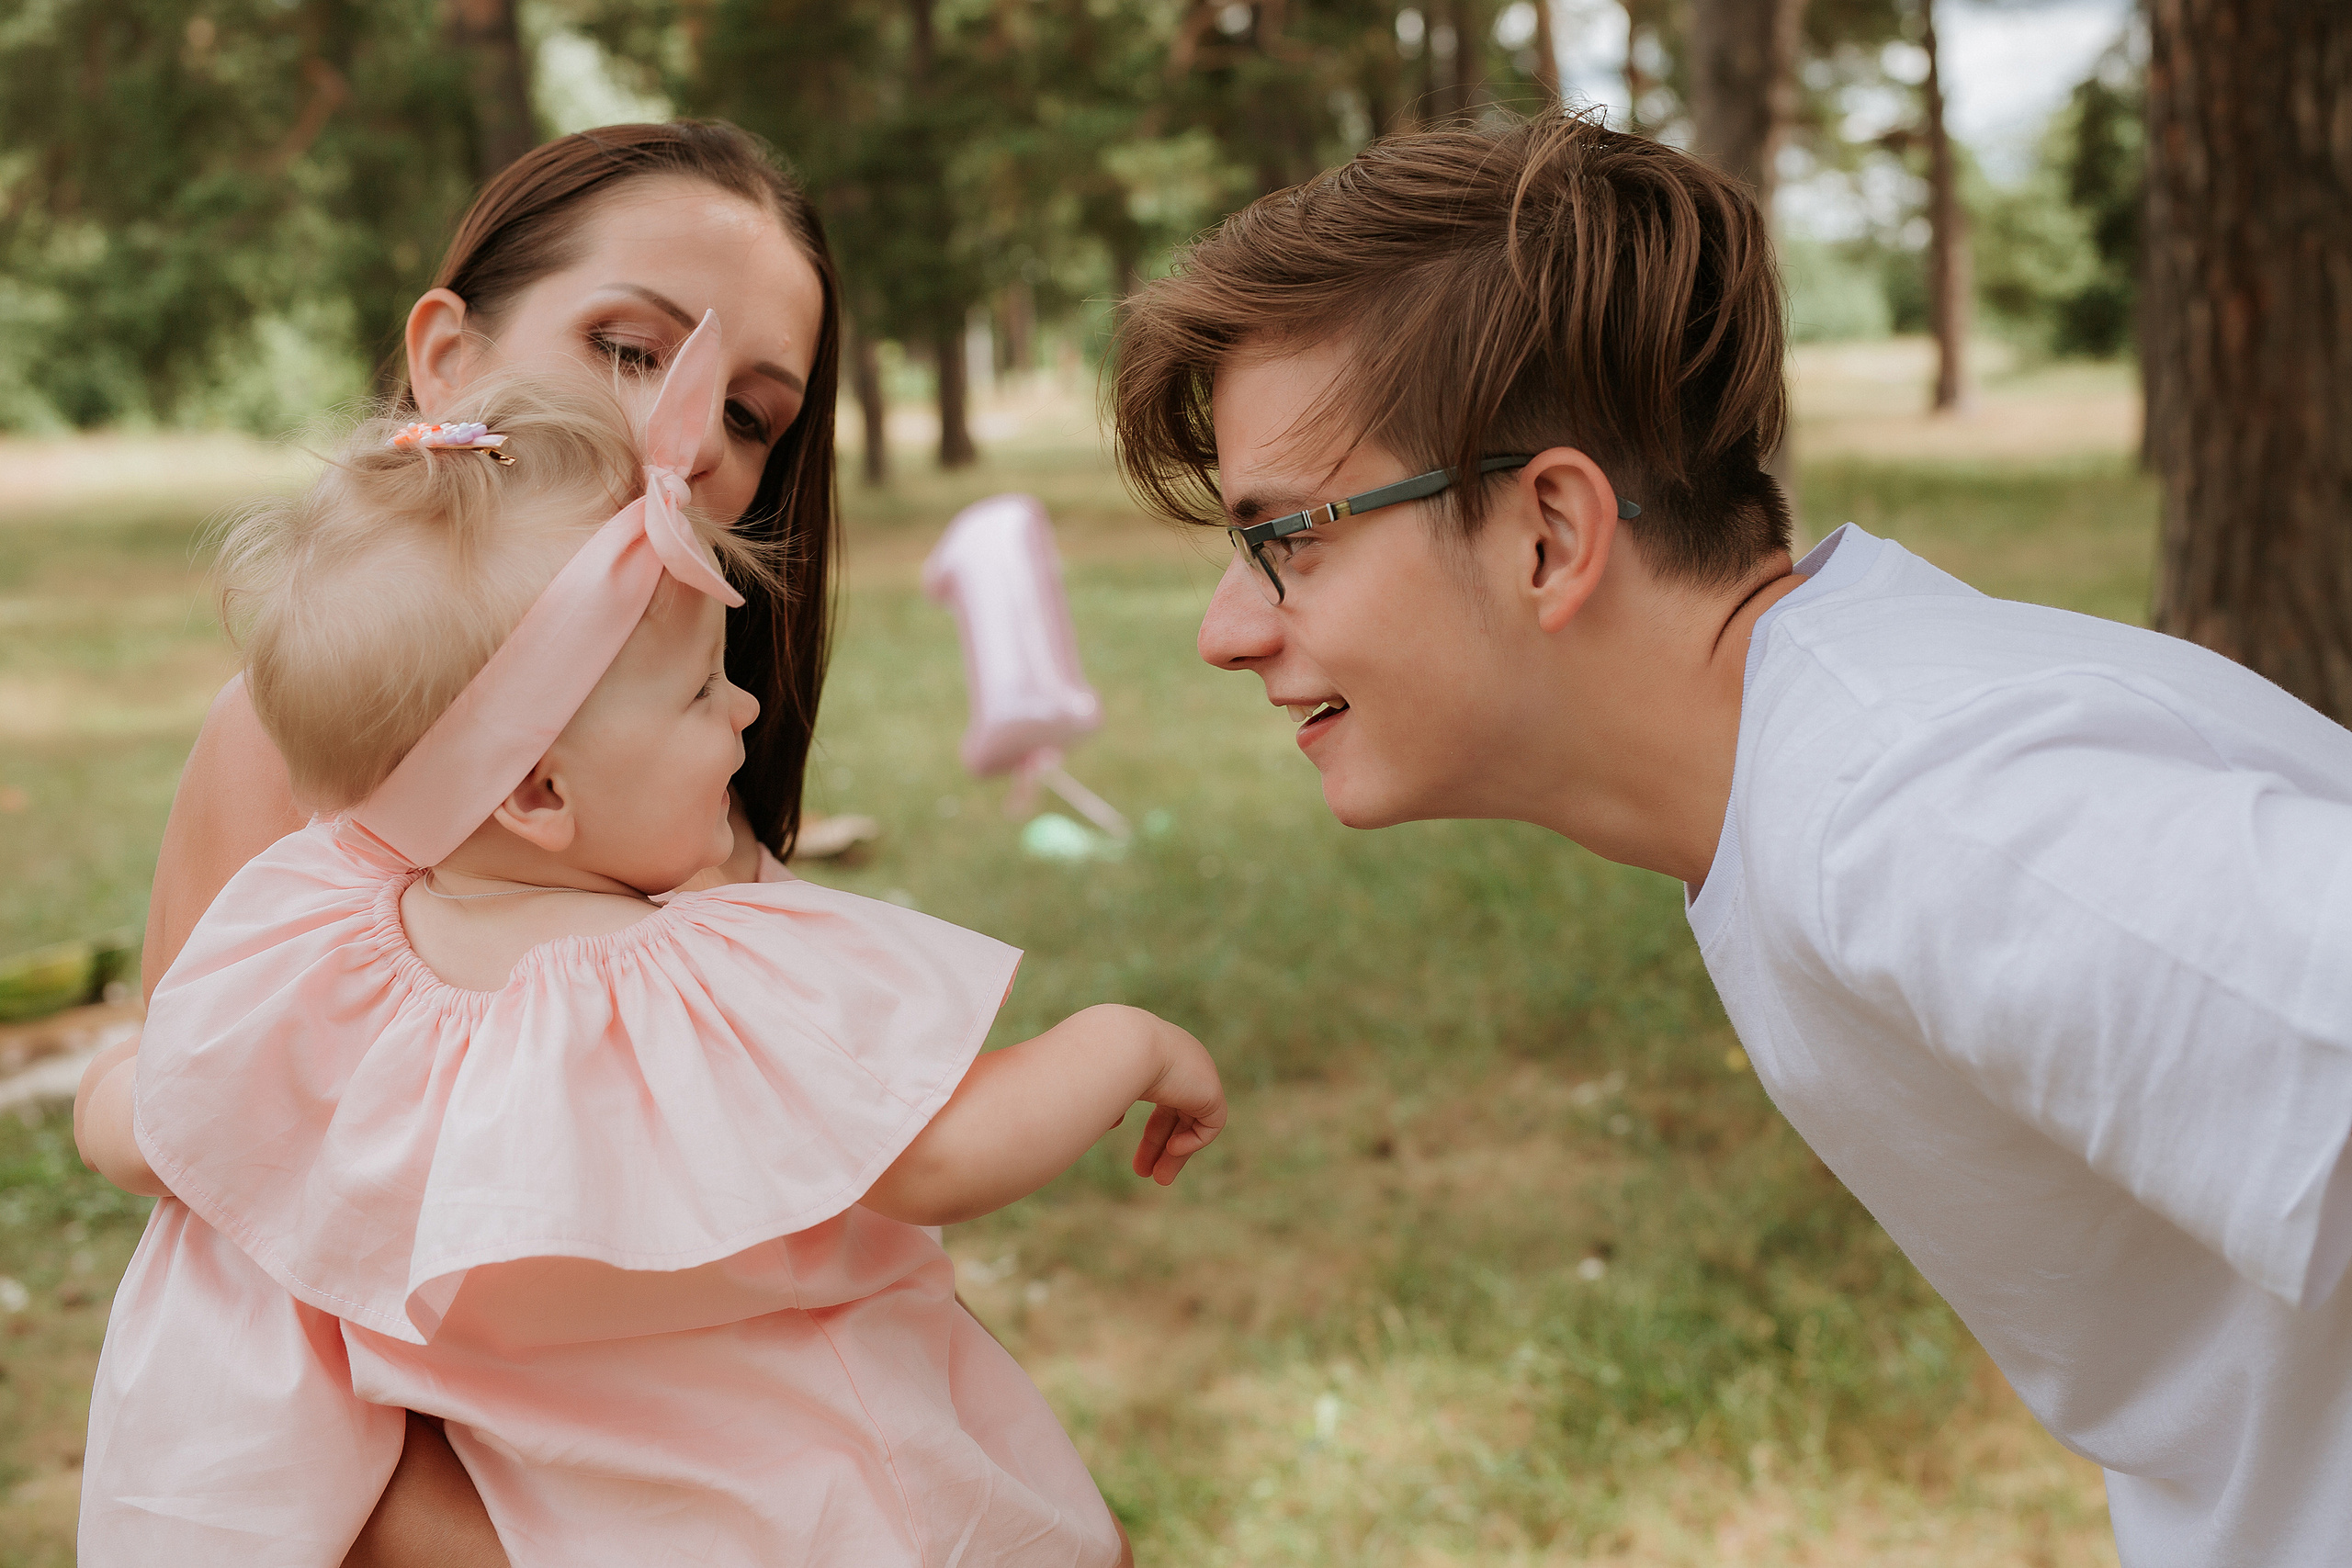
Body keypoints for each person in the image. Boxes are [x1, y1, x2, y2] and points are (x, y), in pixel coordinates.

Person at [1112, 112, 2352, 1566]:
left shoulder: (1909, 809)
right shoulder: (1817, 780)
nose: (1229, 629)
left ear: (1550, 534)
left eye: (1289, 537)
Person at [79, 332, 1219, 1564]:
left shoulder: (326, 958)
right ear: (540, 793)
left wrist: (109, 1082)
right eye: (699, 694)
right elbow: (939, 1159)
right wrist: (1123, 1043)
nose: (744, 709)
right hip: (821, 1510)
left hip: (567, 1520)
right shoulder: (701, 973)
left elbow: (148, 1125)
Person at [74, 118, 841, 1563]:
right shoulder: (305, 758)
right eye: (631, 348)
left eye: (751, 415)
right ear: (446, 359)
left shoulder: (677, 767)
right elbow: (222, 1175)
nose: (684, 440)